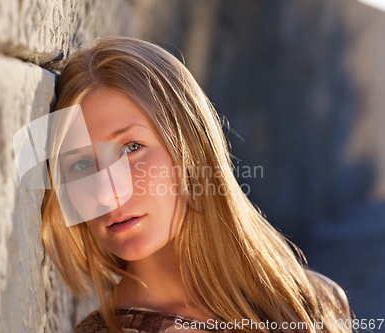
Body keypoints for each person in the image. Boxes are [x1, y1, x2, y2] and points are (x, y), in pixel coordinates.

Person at [41, 36, 351, 333]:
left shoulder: (317, 303)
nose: (108, 193)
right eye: (81, 165)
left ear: (191, 147)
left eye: (132, 147)